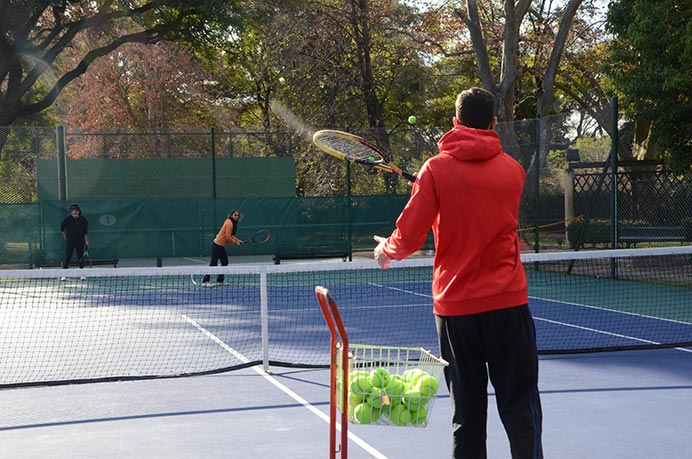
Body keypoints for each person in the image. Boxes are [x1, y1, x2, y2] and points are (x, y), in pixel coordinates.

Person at [373, 87, 542, 458]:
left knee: (467, 414)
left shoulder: (434, 170)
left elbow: (409, 237)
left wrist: (385, 249)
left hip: (456, 310)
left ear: (455, 122)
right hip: (508, 306)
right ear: (494, 122)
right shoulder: (513, 171)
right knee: (520, 410)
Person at [202, 209, 244, 286]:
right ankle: (205, 282)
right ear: (231, 215)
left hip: (221, 246)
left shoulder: (231, 222)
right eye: (235, 215)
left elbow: (230, 235)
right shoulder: (229, 223)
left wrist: (237, 240)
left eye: (238, 215)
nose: (237, 217)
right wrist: (235, 243)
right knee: (213, 263)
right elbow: (228, 237)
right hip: (217, 245)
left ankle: (220, 281)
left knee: (225, 262)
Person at [60, 203, 89, 280]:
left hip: (80, 241)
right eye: (73, 211)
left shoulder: (83, 220)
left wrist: (86, 241)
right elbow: (62, 229)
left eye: (76, 210)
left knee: (80, 257)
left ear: (79, 211)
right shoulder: (67, 220)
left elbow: (85, 232)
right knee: (68, 257)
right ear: (71, 212)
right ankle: (64, 275)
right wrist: (66, 238)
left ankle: (82, 274)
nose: (74, 212)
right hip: (70, 241)